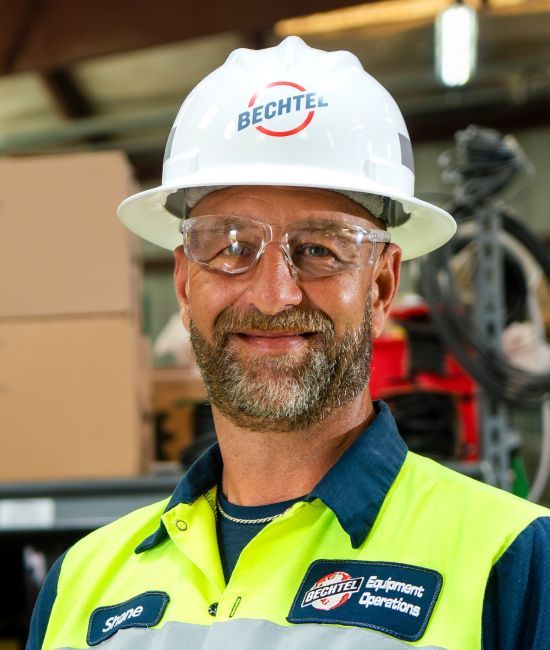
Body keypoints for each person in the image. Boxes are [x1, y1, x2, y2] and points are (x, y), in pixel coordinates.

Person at [28, 36, 549, 650]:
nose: (274, 295)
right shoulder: (82, 586)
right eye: (229, 247)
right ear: (184, 282)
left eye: (320, 250)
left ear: (381, 286)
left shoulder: (513, 563)